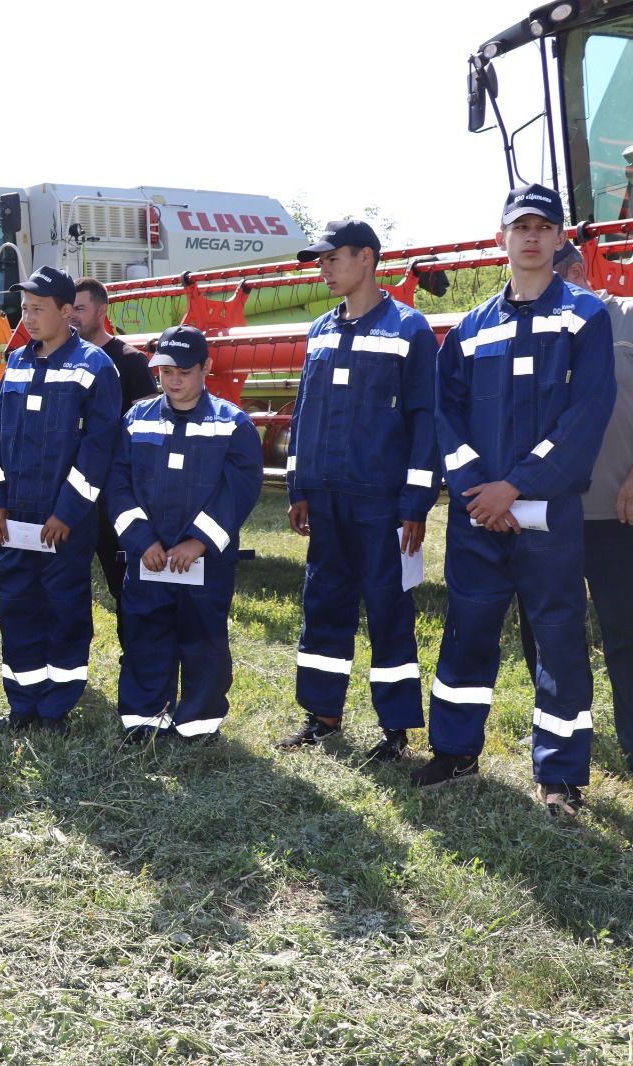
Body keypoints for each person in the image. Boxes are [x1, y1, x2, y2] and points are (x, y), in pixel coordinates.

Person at [416, 184, 614, 818]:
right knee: (466, 630)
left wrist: (517, 485)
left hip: (547, 515)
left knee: (557, 639)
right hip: (479, 513)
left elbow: (587, 415)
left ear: (560, 239)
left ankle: (558, 776)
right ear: (501, 237)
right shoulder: (472, 329)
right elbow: (445, 414)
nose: (530, 237)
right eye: (519, 226)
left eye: (543, 227)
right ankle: (453, 750)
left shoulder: (585, 316)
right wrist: (480, 489)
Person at [278, 220, 438, 761]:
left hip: (382, 502)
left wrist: (416, 502)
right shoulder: (321, 329)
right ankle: (322, 714)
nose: (323, 269)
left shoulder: (408, 329)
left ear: (367, 258)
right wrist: (298, 486)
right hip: (325, 499)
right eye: (319, 261)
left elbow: (425, 421)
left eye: (332, 259)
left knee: (389, 610)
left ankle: (394, 729)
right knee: (323, 605)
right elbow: (304, 413)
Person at [0, 267, 121, 734]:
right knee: (17, 605)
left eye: (38, 309)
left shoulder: (94, 366)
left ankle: (57, 706)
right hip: (16, 518)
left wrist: (66, 512)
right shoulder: (18, 361)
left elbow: (98, 448)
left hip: (65, 521)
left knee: (64, 608)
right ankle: (22, 703)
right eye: (25, 309)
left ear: (67, 312)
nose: (29, 318)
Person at [107, 326, 264, 742]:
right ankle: (145, 719)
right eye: (165, 371)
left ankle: (198, 723)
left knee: (203, 639)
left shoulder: (233, 425)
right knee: (145, 634)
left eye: (183, 371)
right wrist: (142, 541)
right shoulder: (136, 419)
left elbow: (238, 493)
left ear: (206, 368)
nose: (173, 380)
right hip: (149, 560)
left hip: (205, 565)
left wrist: (198, 542)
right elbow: (117, 484)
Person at [543, 242, 633, 774]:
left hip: (615, 514)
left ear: (577, 271)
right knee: (551, 636)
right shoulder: (531, 327)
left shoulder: (626, 317)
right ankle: (563, 745)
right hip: (547, 516)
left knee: (626, 633)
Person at [72, 277, 157, 614]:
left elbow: (150, 434)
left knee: (125, 583)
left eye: (80, 308)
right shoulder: (68, 359)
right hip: (74, 493)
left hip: (115, 494)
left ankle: (134, 658)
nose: (73, 316)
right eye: (69, 309)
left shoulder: (130, 360)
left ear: (101, 310)